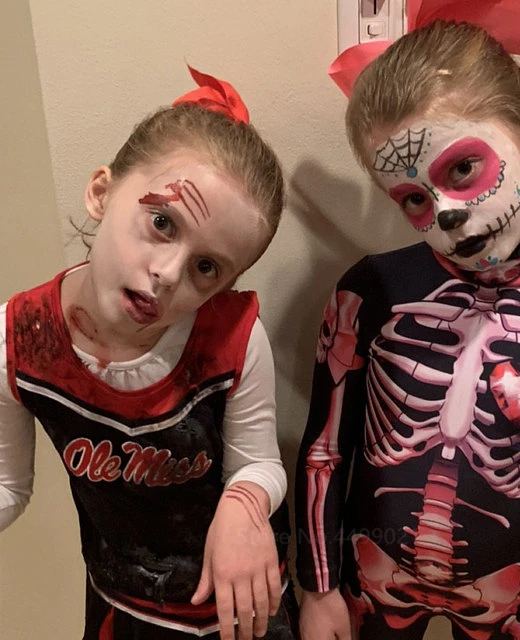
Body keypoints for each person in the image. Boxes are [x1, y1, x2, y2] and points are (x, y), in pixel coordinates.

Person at [295, 3, 520, 640]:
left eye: (462, 168)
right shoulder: (366, 294)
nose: (446, 215)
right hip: (372, 575)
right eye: (414, 199)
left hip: (507, 590)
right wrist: (317, 588)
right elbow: (325, 450)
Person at [0, 65, 298, 640]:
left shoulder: (233, 339)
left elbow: (258, 463)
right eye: (162, 222)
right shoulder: (20, 340)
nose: (167, 273)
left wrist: (245, 503)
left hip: (241, 606)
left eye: (206, 267)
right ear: (101, 193)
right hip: (126, 607)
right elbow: (9, 484)